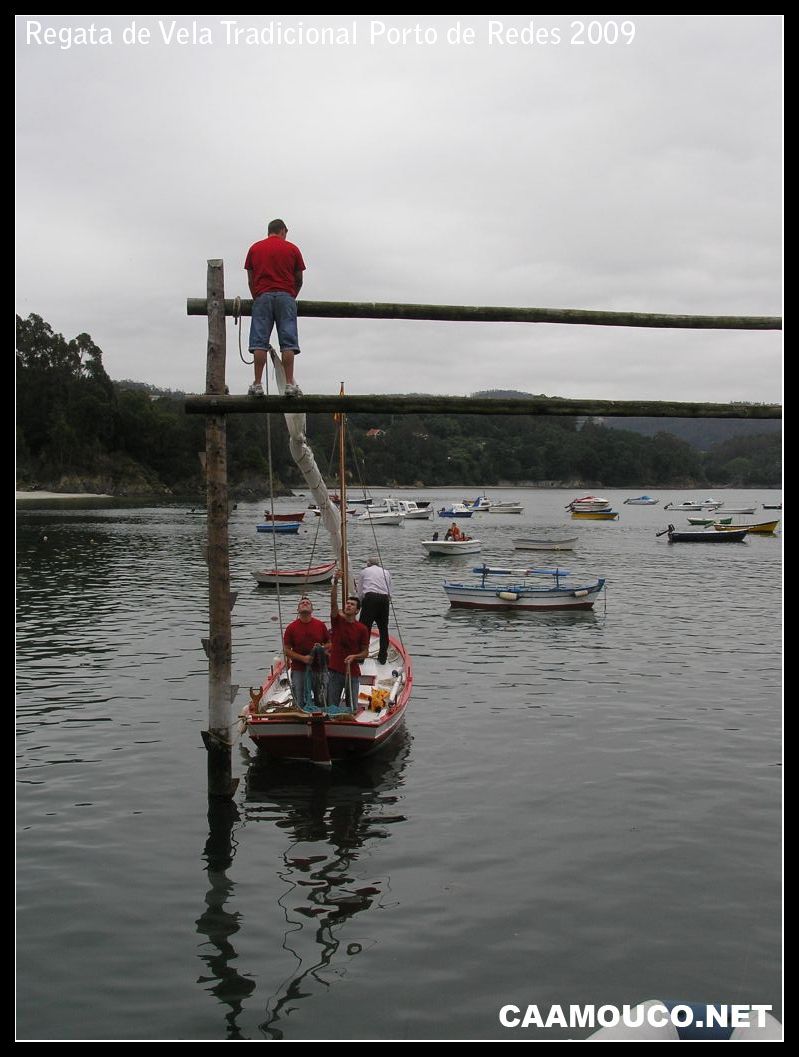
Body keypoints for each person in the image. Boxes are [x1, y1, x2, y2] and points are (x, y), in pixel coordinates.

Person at [244, 218, 306, 397]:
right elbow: (299, 279)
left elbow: (250, 277)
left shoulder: (254, 248)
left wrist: (256, 295)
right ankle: (289, 384)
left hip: (262, 296)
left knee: (259, 342)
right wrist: (291, 295)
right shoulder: (293, 249)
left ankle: (257, 384)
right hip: (286, 296)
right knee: (288, 343)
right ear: (283, 231)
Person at [328, 571, 370, 712]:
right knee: (332, 705)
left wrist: (355, 657)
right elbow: (333, 604)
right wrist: (335, 583)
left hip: (352, 672)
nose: (348, 606)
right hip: (334, 670)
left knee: (351, 707)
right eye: (347, 603)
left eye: (352, 604)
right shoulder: (337, 621)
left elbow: (365, 652)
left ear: (357, 610)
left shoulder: (362, 629)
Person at [283, 597, 329, 710]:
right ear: (297, 609)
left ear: (312, 609)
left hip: (318, 669)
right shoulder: (291, 628)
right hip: (299, 669)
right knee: (299, 698)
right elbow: (286, 650)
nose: (305, 604)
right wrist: (303, 658)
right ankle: (301, 715)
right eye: (302, 603)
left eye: (307, 603)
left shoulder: (320, 625)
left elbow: (330, 643)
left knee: (321, 698)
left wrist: (321, 648)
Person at [355, 557, 393, 666]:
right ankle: (382, 657)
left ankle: (361, 657)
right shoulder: (386, 572)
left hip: (370, 598)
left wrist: (360, 604)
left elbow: (360, 590)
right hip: (384, 599)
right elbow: (390, 590)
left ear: (368, 564)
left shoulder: (364, 572)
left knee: (364, 628)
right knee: (383, 629)